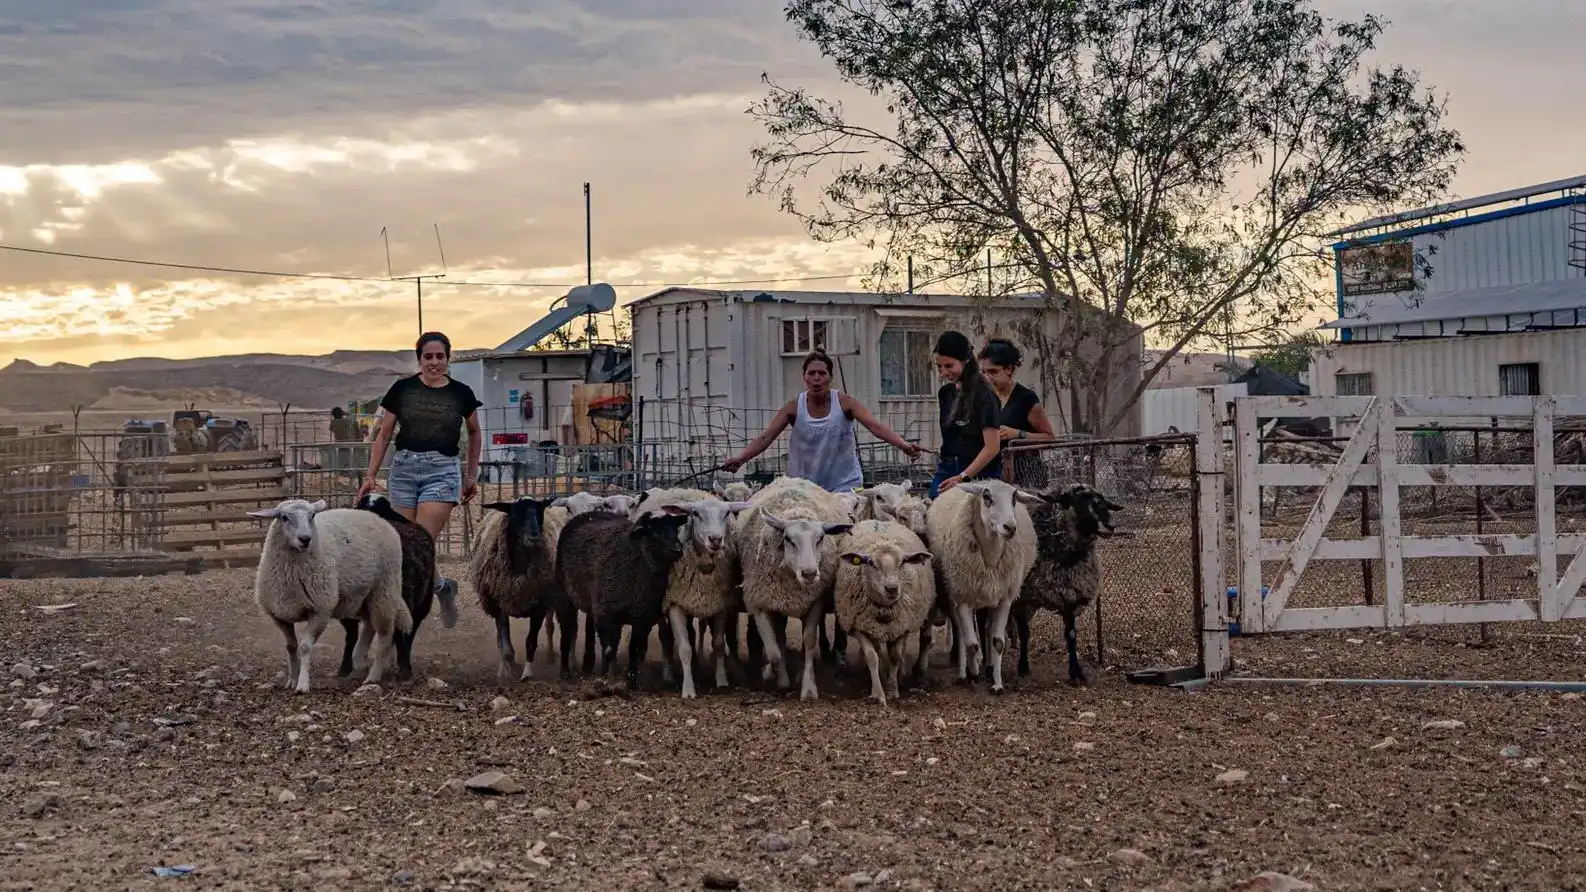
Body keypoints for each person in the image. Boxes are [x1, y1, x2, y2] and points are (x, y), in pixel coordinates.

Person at [358, 331, 483, 629]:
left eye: (440, 356)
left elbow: (475, 432)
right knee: (401, 546)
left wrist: (471, 474)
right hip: (403, 470)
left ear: (448, 359)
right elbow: (385, 434)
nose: (434, 362)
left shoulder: (461, 393)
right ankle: (442, 588)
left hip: (441, 472)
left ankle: (408, 616)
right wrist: (371, 475)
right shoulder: (402, 389)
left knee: (420, 543)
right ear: (419, 359)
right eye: (428, 356)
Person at [721, 350, 922, 491]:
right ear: (804, 378)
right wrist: (741, 459)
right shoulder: (794, 407)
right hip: (803, 487)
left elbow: (876, 427)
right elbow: (766, 438)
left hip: (844, 485)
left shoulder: (845, 403)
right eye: (811, 373)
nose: (816, 378)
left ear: (830, 378)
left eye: (822, 373)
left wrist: (903, 445)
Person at [977, 338, 1057, 489]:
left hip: (1027, 480)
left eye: (993, 372)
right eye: (983, 372)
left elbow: (1050, 438)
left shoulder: (1026, 398)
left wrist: (1018, 434)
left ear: (1009, 369)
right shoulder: (983, 398)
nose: (987, 378)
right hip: (993, 478)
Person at [930, 330, 1002, 498]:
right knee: (933, 508)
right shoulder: (946, 393)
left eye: (949, 366)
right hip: (947, 468)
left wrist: (962, 477)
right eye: (939, 366)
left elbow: (992, 447)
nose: (943, 372)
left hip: (979, 473)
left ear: (967, 360)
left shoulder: (985, 395)